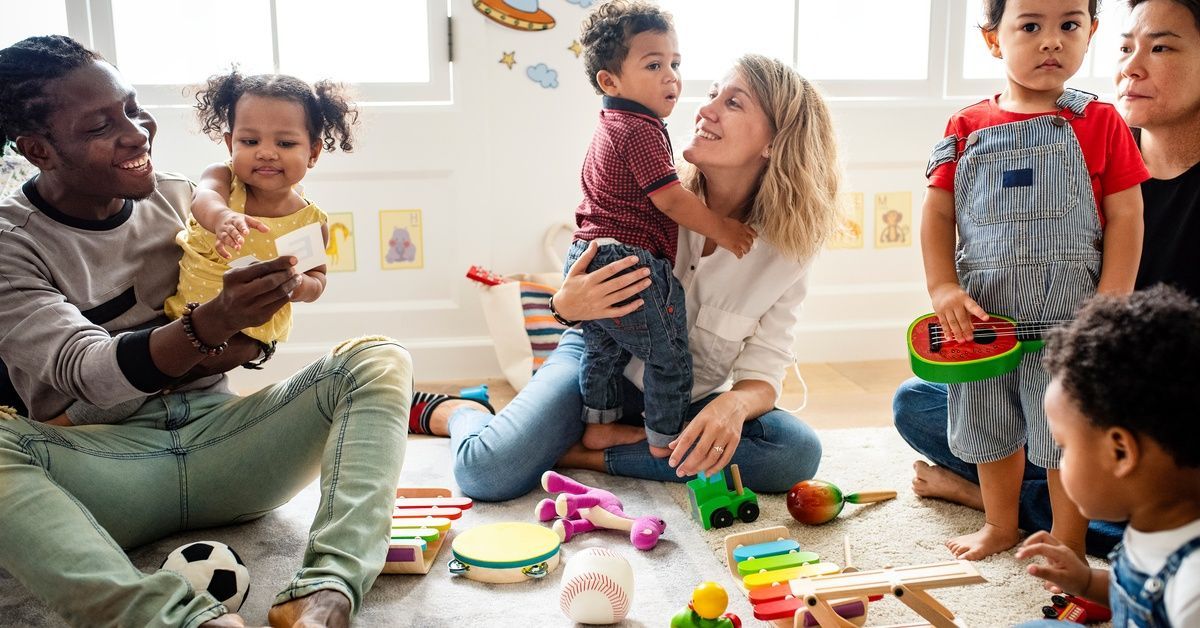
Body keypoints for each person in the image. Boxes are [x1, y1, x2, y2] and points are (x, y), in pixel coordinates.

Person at [0, 35, 411, 627]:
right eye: (100, 126)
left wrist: (274, 302)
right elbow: (86, 372)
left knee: (378, 357)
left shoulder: (181, 200)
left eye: (132, 108)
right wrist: (212, 325)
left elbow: (258, 335)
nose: (137, 132)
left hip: (223, 444)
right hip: (106, 468)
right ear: (39, 148)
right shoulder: (13, 244)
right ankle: (176, 619)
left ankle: (326, 593)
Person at [409, 53, 839, 502]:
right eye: (712, 93)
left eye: (733, 103)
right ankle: (460, 410)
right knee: (486, 473)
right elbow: (577, 281)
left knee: (794, 452)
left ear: (774, 141)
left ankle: (584, 455)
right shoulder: (650, 189)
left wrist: (734, 405)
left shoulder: (788, 250)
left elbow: (764, 370)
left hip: (685, 401)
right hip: (597, 367)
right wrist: (564, 306)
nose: (705, 109)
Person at [895, 0, 1200, 559]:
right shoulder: (965, 126)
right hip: (986, 321)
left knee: (1066, 436)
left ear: (1090, 34)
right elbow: (937, 213)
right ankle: (1000, 523)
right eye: (1030, 26)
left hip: (1071, 320)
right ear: (993, 40)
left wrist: (1111, 303)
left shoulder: (1100, 120)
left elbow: (1127, 217)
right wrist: (943, 287)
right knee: (981, 420)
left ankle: (1068, 537)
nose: (1052, 41)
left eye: (1069, 26)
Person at [58, 70, 355, 427]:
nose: (265, 153)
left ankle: (67, 427)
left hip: (248, 331)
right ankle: (65, 424)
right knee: (137, 376)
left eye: (285, 144)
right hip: (185, 314)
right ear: (230, 145)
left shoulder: (308, 222)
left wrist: (297, 285)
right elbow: (204, 198)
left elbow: (317, 279)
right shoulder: (226, 181)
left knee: (164, 381)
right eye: (249, 141)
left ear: (313, 152)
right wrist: (224, 217)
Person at [567, 0, 755, 458]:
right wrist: (725, 230)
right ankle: (666, 440)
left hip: (588, 253)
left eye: (675, 63)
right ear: (610, 81)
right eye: (654, 64)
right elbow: (669, 198)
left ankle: (600, 426)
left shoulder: (612, 123)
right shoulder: (640, 128)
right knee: (669, 354)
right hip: (625, 259)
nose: (671, 76)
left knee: (603, 351)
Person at [1013, 286, 1200, 627]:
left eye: (1063, 448)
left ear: (1120, 452)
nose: (1057, 464)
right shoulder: (1155, 518)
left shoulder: (1193, 591)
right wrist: (1085, 581)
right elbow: (1130, 587)